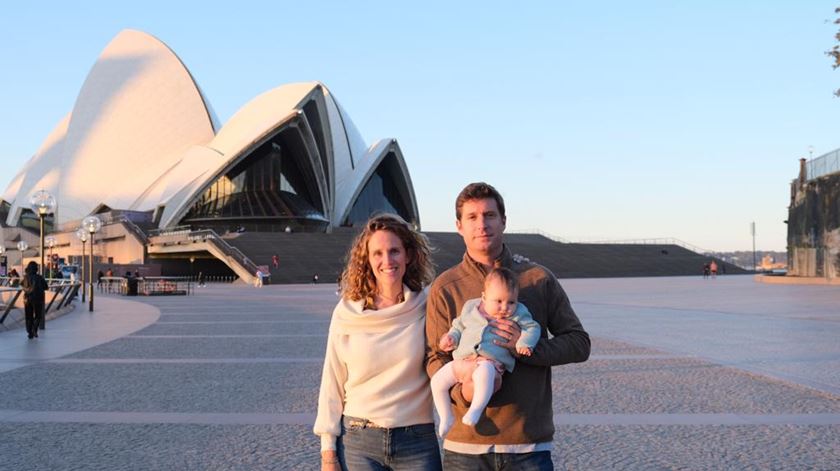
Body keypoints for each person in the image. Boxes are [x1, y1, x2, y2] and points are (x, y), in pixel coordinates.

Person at [425, 182, 590, 469]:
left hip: (527, 445)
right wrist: (462, 392)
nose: (482, 225)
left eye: (490, 215)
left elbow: (579, 343)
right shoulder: (446, 287)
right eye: (472, 217)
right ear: (459, 226)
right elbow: (433, 357)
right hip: (465, 447)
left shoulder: (537, 279)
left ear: (504, 220)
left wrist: (524, 348)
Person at [314, 214, 441, 471]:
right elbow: (332, 380)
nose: (387, 261)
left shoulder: (426, 306)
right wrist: (328, 453)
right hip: (358, 442)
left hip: (417, 441)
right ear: (367, 260)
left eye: (394, 251)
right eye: (378, 253)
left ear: (408, 254)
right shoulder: (347, 312)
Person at [431, 267, 540, 438]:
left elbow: (532, 327)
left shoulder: (519, 312)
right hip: (463, 361)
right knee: (437, 382)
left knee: (485, 374)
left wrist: (524, 343)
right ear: (484, 298)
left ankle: (476, 409)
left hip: (490, 362)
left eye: (511, 302)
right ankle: (445, 416)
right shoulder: (470, 308)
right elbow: (458, 326)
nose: (505, 307)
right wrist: (451, 337)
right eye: (498, 301)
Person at [20, 261, 48, 339]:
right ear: (36, 268)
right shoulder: (39, 277)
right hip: (38, 299)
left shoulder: (26, 277)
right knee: (38, 315)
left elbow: (22, 285)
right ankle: (34, 329)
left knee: (29, 316)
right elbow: (46, 287)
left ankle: (30, 332)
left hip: (27, 299)